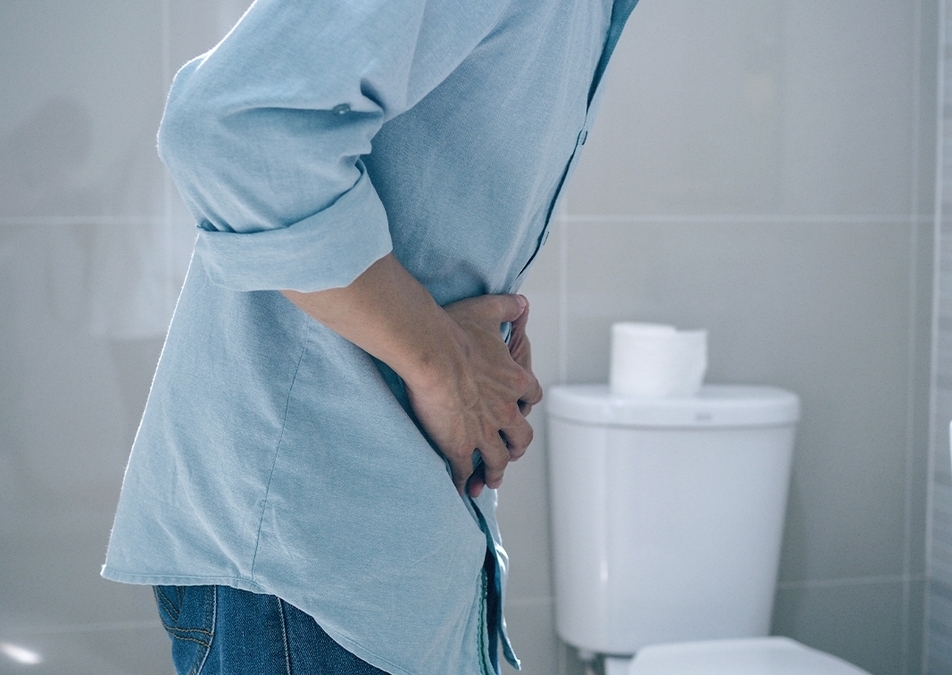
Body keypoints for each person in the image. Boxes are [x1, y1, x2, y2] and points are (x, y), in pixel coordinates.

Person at [102, 1, 637, 674]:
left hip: (386, 541)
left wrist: (472, 346)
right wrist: (447, 363)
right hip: (309, 553)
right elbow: (235, 128)